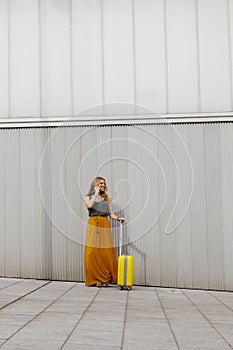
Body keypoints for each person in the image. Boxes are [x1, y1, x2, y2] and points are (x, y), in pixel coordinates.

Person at [84, 176, 125, 287]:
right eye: (100, 183)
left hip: (104, 224)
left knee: (105, 252)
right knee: (92, 252)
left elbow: (110, 214)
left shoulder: (107, 198)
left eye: (104, 183)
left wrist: (118, 218)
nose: (102, 185)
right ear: (95, 185)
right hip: (93, 224)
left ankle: (104, 279)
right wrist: (96, 194)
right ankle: (95, 279)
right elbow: (89, 205)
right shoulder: (88, 197)